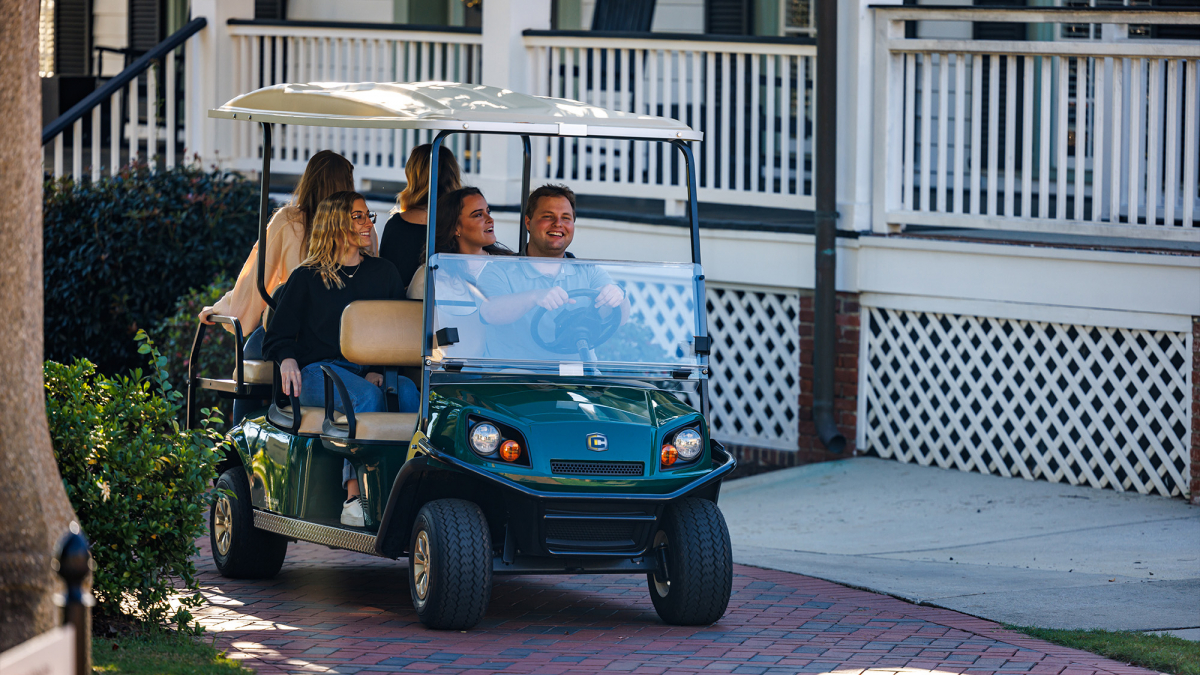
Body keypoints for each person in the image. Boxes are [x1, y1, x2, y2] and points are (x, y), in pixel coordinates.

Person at [262, 191, 418, 527]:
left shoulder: (385, 273)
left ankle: (410, 492)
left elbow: (394, 332)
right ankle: (354, 498)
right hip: (317, 372)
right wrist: (286, 359)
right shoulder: (307, 277)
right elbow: (276, 336)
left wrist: (377, 368)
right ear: (335, 224)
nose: (367, 224)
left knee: (407, 393)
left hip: (365, 371)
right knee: (362, 398)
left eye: (367, 216)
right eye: (358, 217)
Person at [198, 150, 363, 424]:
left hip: (294, 336)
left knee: (249, 360)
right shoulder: (361, 228)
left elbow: (255, 282)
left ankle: (241, 442)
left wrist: (220, 308)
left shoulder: (288, 221)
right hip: (347, 339)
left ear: (309, 180)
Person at [476, 184, 627, 361]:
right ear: (528, 222)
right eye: (548, 217)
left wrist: (618, 296)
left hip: (575, 378)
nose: (558, 224)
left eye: (566, 218)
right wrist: (534, 297)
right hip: (516, 377)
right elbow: (490, 312)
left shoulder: (589, 272)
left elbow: (621, 318)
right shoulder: (499, 270)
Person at [379, 143, 463, 288]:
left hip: (403, 308)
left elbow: (386, 279)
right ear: (453, 174)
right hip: (453, 307)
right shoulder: (462, 222)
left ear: (412, 176)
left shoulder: (396, 225)